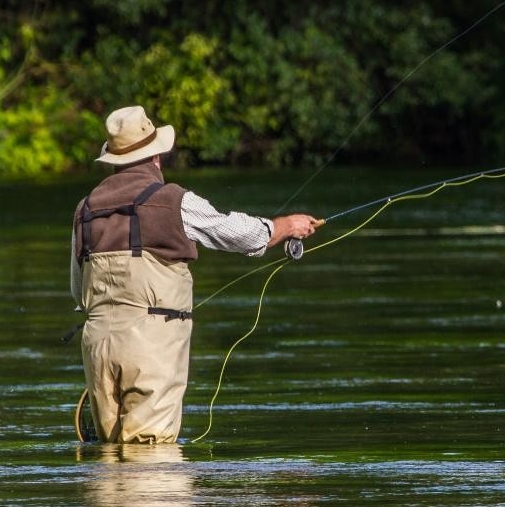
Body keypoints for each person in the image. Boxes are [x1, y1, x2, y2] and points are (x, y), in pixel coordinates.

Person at [70, 106, 320, 444]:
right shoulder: (173, 201)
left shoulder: (85, 210)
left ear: (113, 160)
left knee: (111, 458)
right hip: (151, 348)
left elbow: (77, 290)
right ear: (156, 157)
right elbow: (236, 233)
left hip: (97, 346)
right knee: (151, 456)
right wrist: (283, 226)